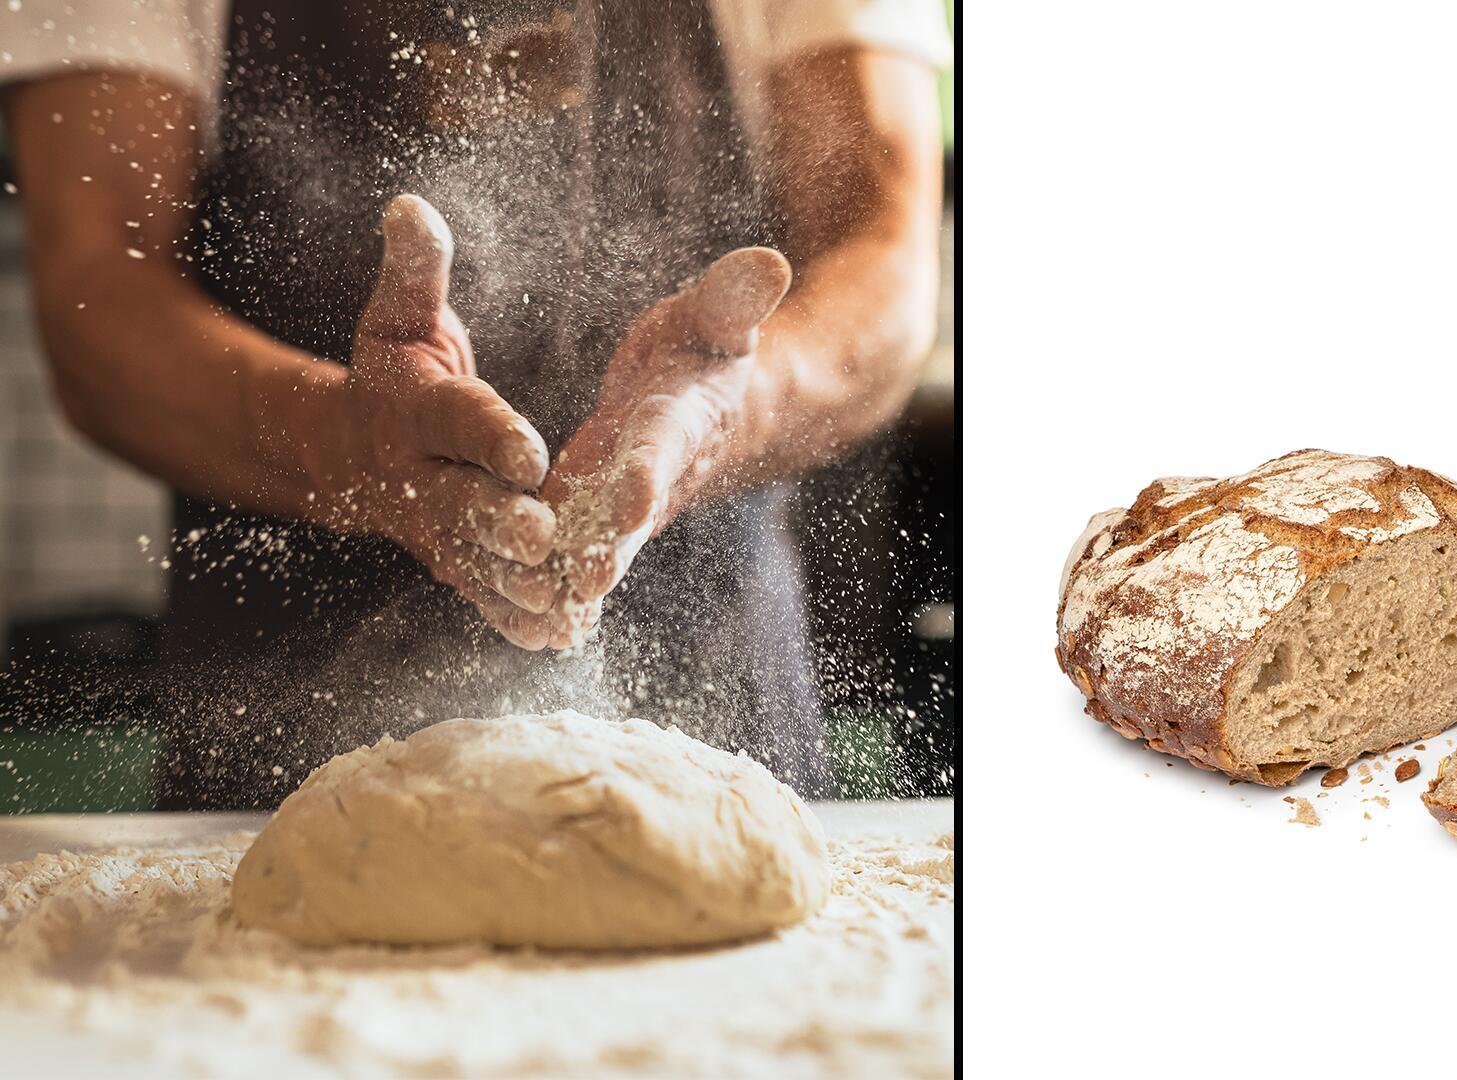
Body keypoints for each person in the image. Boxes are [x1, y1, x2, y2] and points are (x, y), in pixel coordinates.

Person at [0, 0, 950, 806]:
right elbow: (99, 297)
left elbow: (886, 258)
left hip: (718, 699)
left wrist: (726, 406)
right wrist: (350, 447)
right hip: (282, 734)